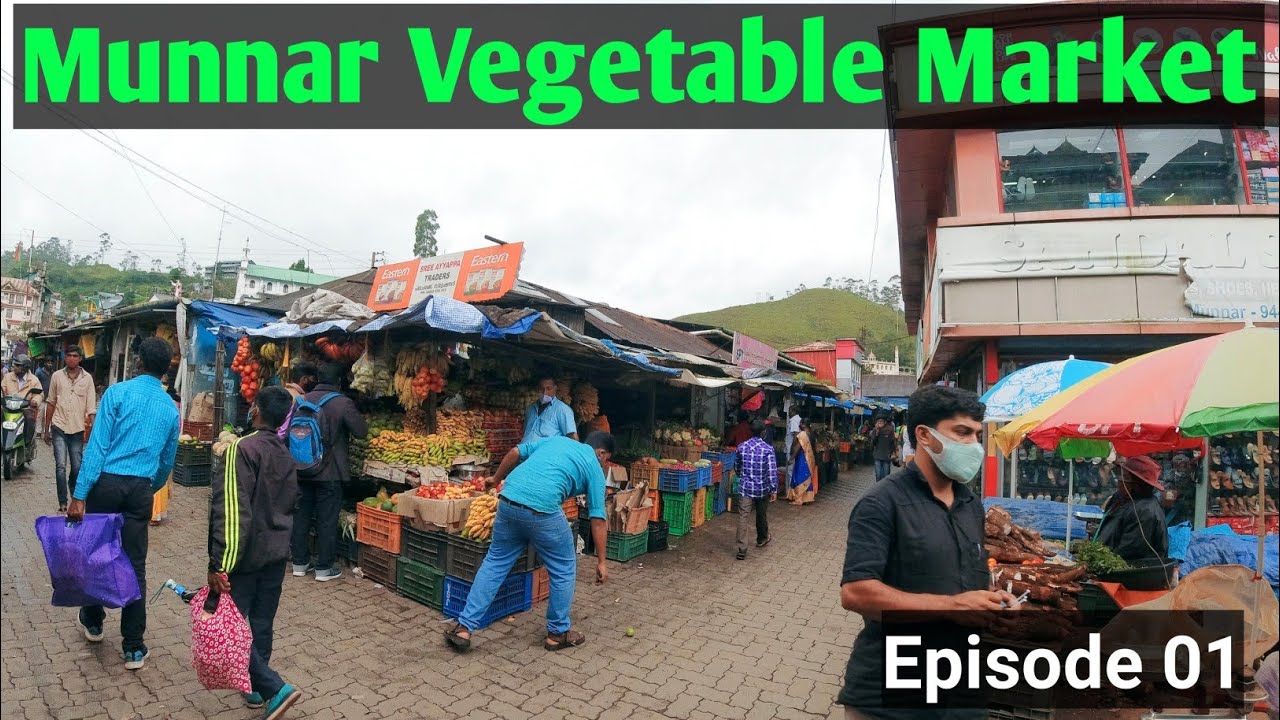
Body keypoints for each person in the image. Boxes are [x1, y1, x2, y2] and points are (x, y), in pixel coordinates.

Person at [838, 385, 1018, 719]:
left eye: (978, 435)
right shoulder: (881, 503)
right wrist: (954, 605)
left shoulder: (970, 505)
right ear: (924, 435)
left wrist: (987, 599)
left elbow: (958, 578)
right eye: (962, 433)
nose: (973, 446)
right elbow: (856, 593)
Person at [66, 338, 180, 671]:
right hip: (140, 491)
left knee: (95, 555)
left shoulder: (117, 394)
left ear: (140, 362)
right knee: (135, 565)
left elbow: (97, 448)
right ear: (164, 370)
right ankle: (133, 647)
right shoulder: (169, 407)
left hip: (106, 486)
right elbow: (166, 460)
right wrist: (149, 486)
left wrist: (80, 494)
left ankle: (94, 620)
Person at [446, 432, 613, 654]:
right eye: (607, 459)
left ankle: (464, 628)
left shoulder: (558, 441)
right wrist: (602, 561)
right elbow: (598, 519)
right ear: (601, 453)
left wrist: (496, 479)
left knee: (495, 562)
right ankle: (557, 633)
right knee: (563, 568)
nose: (604, 464)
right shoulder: (594, 466)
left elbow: (516, 451)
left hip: (508, 499)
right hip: (542, 511)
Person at [206, 387, 304, 718]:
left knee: (224, 625)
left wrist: (219, 564)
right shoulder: (285, 455)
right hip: (276, 553)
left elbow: (233, 514)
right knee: (261, 621)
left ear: (256, 411)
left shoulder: (242, 450)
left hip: (245, 556)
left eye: (252, 405)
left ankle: (275, 688)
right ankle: (255, 689)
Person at [289, 362, 367, 582]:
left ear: (316, 379)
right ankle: (324, 568)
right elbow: (361, 431)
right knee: (327, 519)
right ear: (339, 381)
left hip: (302, 467)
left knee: (301, 516)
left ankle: (299, 563)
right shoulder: (343, 402)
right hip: (330, 472)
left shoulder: (301, 400)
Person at [43, 346, 97, 513]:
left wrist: (94, 431)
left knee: (76, 467)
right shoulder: (57, 376)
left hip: (77, 428)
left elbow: (91, 407)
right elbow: (51, 402)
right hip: (58, 426)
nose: (72, 358)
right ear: (65, 358)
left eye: (75, 356)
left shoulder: (87, 379)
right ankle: (62, 502)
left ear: (80, 358)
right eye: (69, 355)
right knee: (60, 466)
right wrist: (46, 429)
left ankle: (75, 494)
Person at [1094, 455, 1169, 566]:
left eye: (1124, 477)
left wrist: (1097, 563)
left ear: (1135, 485)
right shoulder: (1120, 498)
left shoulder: (1144, 512)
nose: (1120, 480)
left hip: (1132, 573)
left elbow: (1128, 553)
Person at [734, 420, 777, 561]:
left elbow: (737, 467)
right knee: (761, 513)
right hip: (762, 488)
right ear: (763, 432)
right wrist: (774, 489)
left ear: (751, 431)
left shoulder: (741, 447)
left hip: (745, 488)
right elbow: (772, 472)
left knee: (743, 517)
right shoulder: (768, 449)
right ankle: (761, 538)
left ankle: (742, 549)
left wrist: (742, 475)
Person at [2, 354, 42, 451]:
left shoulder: (34, 380)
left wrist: (35, 401)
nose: (14, 366)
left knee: (30, 418)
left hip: (24, 408)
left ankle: (27, 443)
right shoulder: (7, 377)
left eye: (17, 365)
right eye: (15, 364)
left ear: (25, 367)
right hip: (8, 408)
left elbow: (39, 394)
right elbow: (2, 389)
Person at [521, 377, 577, 444]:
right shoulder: (530, 408)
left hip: (547, 453)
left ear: (555, 389)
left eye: (548, 388)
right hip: (526, 453)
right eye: (541, 389)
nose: (545, 392)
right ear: (537, 389)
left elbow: (572, 437)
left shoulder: (563, 410)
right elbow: (525, 431)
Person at [789, 419, 819, 505]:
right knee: (807, 478)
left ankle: (799, 499)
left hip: (803, 458)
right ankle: (807, 498)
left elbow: (797, 447)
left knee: (800, 477)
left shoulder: (802, 435)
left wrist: (791, 458)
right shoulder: (812, 434)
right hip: (811, 459)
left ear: (803, 424)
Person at [872, 416, 899, 481]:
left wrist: (894, 453)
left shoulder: (890, 429)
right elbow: (873, 443)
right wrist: (877, 433)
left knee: (886, 476)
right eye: (878, 422)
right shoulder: (875, 430)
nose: (879, 423)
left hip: (887, 456)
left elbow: (893, 443)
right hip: (877, 456)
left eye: (881, 421)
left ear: (885, 422)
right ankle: (879, 490)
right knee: (878, 476)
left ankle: (884, 489)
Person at [35, 358, 52, 438]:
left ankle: (47, 432)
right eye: (48, 362)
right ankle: (38, 431)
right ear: (45, 363)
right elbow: (35, 383)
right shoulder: (39, 372)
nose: (50, 364)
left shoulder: (53, 373)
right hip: (41, 397)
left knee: (49, 416)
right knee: (40, 415)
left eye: (51, 363)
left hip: (50, 398)